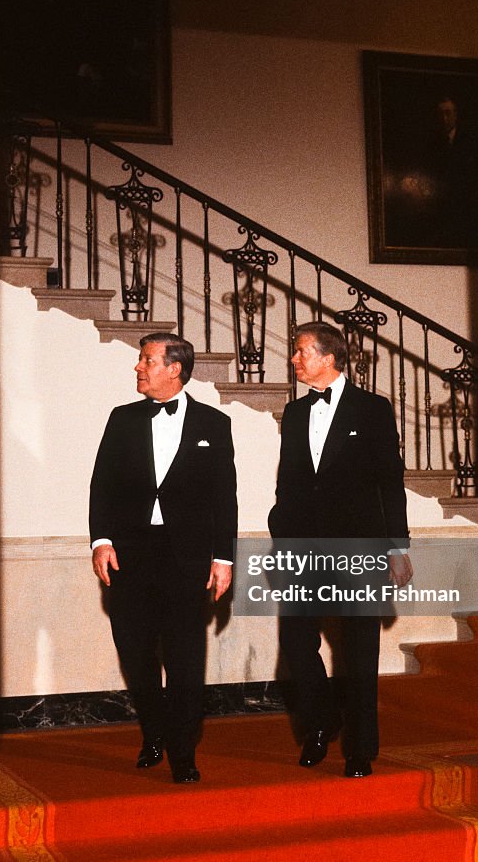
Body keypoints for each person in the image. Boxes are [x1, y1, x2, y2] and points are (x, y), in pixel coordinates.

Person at [90, 333, 237, 783]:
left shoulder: (213, 424)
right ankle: (153, 730)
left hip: (185, 558)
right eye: (141, 359)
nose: (138, 367)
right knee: (134, 652)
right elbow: (102, 486)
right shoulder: (122, 419)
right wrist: (101, 541)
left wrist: (224, 559)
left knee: (186, 658)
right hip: (130, 556)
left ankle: (182, 750)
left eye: (146, 360)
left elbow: (223, 497)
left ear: (174, 369)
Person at [268, 322, 412, 777]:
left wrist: (396, 547)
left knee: (359, 648)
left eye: (301, 352)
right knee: (295, 640)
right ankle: (321, 721)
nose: (294, 360)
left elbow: (390, 482)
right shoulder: (293, 414)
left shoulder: (372, 409)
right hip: (302, 549)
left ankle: (360, 748)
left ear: (328, 358)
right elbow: (288, 483)